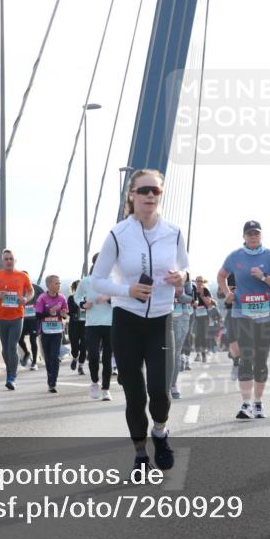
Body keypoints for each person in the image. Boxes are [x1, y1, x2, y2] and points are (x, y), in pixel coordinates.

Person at [92, 169, 188, 474]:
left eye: (155, 192)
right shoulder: (117, 234)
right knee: (135, 396)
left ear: (160, 196)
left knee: (160, 390)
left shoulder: (173, 232)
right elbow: (97, 281)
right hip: (127, 320)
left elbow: (185, 268)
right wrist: (127, 290)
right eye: (144, 190)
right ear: (131, 195)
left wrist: (180, 278)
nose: (150, 196)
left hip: (161, 319)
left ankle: (159, 433)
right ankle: (139, 454)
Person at [218, 221, 270, 419]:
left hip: (266, 316)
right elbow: (221, 275)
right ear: (244, 237)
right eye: (249, 234)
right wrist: (227, 293)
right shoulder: (235, 256)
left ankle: (258, 403)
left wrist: (264, 277)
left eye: (256, 233)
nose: (253, 237)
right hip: (242, 314)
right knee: (245, 358)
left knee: (261, 360)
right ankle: (245, 404)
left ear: (261, 236)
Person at [0, 250, 33, 390]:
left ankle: (11, 377)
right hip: (1, 317)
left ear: (15, 260)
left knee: (12, 346)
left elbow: (31, 291)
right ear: (2, 261)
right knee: (5, 349)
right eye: (6, 259)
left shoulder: (22, 276)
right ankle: (11, 370)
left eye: (11, 258)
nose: (8, 261)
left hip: (17, 316)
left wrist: (25, 299)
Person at [76, 254, 114, 400]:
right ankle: (94, 383)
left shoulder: (113, 280)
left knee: (107, 358)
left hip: (110, 323)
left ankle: (105, 389)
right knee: (93, 355)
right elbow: (77, 296)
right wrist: (82, 304)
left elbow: (122, 297)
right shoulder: (86, 281)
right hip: (92, 324)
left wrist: (108, 298)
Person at [35, 275, 69, 393]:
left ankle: (52, 383)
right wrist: (50, 312)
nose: (59, 285)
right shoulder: (42, 298)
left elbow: (65, 314)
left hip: (57, 331)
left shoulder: (62, 298)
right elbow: (38, 315)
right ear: (49, 285)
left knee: (54, 357)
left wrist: (63, 314)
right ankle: (50, 376)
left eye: (59, 283)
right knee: (48, 358)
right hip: (45, 331)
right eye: (56, 283)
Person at [170, 272, 195, 398]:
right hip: (160, 316)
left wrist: (181, 294)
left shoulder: (184, 275)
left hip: (180, 317)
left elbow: (191, 298)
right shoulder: (154, 269)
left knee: (175, 352)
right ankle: (159, 383)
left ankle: (173, 384)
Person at [19, 279, 43, 370]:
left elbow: (44, 298)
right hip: (22, 318)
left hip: (34, 319)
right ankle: (26, 353)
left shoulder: (36, 288)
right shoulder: (18, 288)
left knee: (33, 339)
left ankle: (34, 362)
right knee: (19, 338)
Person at [68, 280, 87, 375]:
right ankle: (75, 357)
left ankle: (80, 366)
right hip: (74, 325)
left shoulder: (88, 298)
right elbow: (69, 311)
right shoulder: (71, 298)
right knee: (74, 346)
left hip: (85, 325)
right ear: (75, 289)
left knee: (84, 347)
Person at [192, 276, 213, 362]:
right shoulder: (193, 290)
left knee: (204, 335)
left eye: (201, 281)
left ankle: (204, 355)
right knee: (197, 335)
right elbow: (190, 302)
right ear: (196, 282)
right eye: (198, 281)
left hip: (204, 316)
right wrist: (194, 303)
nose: (199, 282)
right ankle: (198, 354)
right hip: (196, 316)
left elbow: (208, 303)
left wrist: (202, 296)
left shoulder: (206, 290)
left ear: (203, 282)